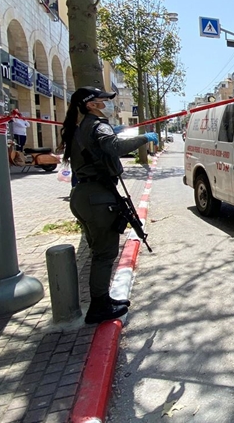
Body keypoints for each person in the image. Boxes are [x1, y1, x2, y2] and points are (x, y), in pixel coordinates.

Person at [60, 86, 158, 324]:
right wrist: (144, 138)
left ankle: (103, 300)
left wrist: (112, 133)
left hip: (83, 195)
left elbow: (97, 147)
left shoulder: (79, 128)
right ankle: (99, 306)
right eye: (103, 99)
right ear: (91, 104)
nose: (108, 103)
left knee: (99, 251)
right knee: (105, 254)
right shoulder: (97, 125)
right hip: (97, 197)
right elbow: (113, 147)